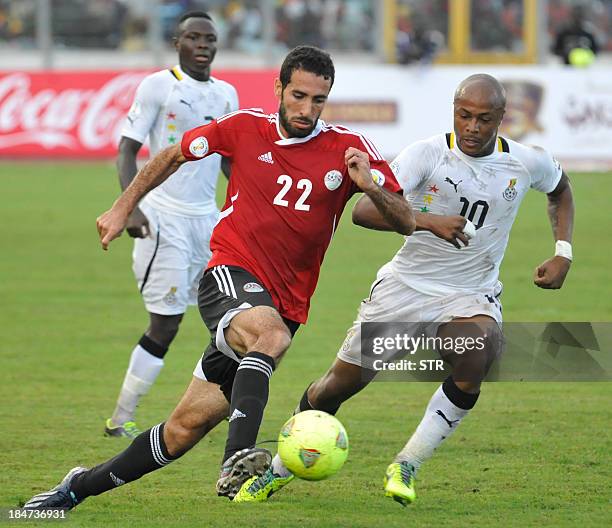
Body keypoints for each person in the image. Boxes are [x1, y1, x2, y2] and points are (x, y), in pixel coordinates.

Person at [23, 45, 415, 510]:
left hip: (286, 303)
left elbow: (405, 219)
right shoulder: (244, 127)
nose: (307, 110)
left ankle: (73, 489)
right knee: (269, 337)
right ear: (279, 88)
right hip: (229, 273)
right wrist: (122, 206)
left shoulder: (347, 149)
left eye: (318, 101)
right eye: (299, 96)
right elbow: (172, 154)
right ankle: (238, 458)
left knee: (182, 430)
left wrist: (369, 185)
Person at [234, 73, 575, 505]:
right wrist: (430, 221)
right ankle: (279, 470)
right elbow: (364, 211)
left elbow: (561, 190)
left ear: (501, 119)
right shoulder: (426, 155)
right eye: (464, 116)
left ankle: (407, 463)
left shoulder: (526, 161)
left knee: (477, 354)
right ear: (454, 110)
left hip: (470, 293)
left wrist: (563, 251)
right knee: (337, 387)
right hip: (405, 289)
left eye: (484, 119)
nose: (472, 127)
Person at [103, 11, 238, 440]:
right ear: (177, 42)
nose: (203, 45)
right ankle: (120, 418)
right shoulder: (159, 85)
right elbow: (127, 151)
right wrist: (131, 207)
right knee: (167, 322)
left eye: (210, 38)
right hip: (163, 217)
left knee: (230, 319)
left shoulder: (227, 94)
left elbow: (232, 165)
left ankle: (230, 407)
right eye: (193, 37)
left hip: (208, 220)